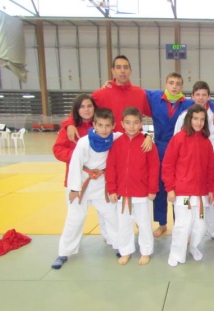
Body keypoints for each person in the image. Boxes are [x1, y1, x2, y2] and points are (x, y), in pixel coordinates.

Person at [146, 73, 214, 238]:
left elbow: (208, 104)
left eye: (178, 84)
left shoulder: (202, 109)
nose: (174, 86)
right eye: (171, 83)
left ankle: (200, 229)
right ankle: (167, 225)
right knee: (165, 191)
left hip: (200, 157)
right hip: (167, 151)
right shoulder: (164, 102)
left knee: (195, 196)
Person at [51, 108, 119, 269]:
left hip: (101, 184)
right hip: (82, 184)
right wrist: (74, 189)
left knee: (112, 215)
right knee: (75, 219)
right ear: (94, 124)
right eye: (100, 125)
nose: (104, 129)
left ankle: (120, 245)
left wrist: (146, 137)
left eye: (107, 126)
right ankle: (64, 252)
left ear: (113, 126)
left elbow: (132, 134)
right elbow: (74, 165)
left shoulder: (115, 138)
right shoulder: (84, 142)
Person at [52, 94, 113, 245]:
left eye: (89, 106)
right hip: (77, 177)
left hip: (100, 179)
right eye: (82, 107)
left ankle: (112, 240)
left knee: (108, 214)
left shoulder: (102, 127)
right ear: (76, 110)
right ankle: (68, 248)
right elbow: (58, 149)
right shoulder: (70, 128)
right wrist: (79, 158)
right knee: (75, 216)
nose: (86, 109)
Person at [174, 80, 214, 244]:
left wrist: (213, 156)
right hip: (189, 165)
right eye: (198, 94)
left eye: (204, 95)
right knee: (189, 203)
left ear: (209, 97)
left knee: (209, 199)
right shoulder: (184, 117)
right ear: (192, 96)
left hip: (210, 163)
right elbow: (177, 140)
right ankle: (188, 234)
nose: (201, 98)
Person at [162, 104, 214, 267]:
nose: (199, 122)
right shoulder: (178, 138)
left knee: (199, 225)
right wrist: (170, 188)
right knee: (182, 225)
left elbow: (210, 169)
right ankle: (176, 253)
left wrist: (211, 189)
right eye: (195, 119)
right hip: (183, 195)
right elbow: (168, 165)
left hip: (200, 196)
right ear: (189, 119)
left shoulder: (206, 143)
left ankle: (193, 247)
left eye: (202, 119)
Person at [106, 107, 160, 266]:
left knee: (143, 224)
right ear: (121, 123)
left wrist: (152, 189)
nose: (131, 126)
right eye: (128, 123)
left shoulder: (147, 143)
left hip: (141, 193)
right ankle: (126, 250)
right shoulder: (116, 144)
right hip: (122, 193)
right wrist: (112, 189)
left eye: (135, 122)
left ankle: (146, 251)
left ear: (141, 124)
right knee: (124, 225)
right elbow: (111, 168)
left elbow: (154, 167)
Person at [65, 55, 152, 137]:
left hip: (134, 144)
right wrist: (70, 124)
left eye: (126, 67)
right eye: (118, 67)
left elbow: (156, 112)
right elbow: (83, 109)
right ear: (113, 71)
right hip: (109, 146)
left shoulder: (140, 93)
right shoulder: (100, 95)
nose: (123, 71)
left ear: (130, 71)